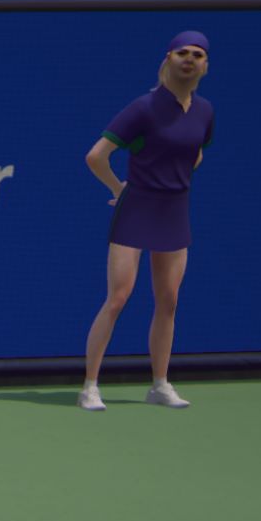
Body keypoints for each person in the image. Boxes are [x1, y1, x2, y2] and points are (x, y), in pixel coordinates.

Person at [78, 31, 209, 411]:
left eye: (197, 54)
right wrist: (119, 188)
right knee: (118, 297)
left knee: (169, 300)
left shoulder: (205, 111)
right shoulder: (143, 108)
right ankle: (89, 386)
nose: (189, 59)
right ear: (168, 59)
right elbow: (96, 156)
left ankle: (160, 385)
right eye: (182, 53)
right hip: (137, 207)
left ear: (205, 65)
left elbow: (196, 153)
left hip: (175, 210)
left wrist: (174, 176)